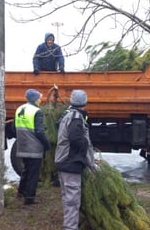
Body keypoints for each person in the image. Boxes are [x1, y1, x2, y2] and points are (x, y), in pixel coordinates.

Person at [55, 89, 96, 230]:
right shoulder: (76, 118)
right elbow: (76, 139)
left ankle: (69, 225)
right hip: (70, 164)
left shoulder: (67, 114)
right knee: (72, 200)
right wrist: (89, 160)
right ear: (85, 102)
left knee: (67, 197)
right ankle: (70, 227)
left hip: (62, 161)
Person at [15, 88, 51, 205]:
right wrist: (46, 144)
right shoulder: (37, 111)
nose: (40, 100)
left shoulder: (19, 109)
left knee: (26, 169)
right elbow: (40, 132)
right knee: (34, 173)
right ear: (35, 99)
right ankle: (29, 198)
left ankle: (21, 192)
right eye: (39, 98)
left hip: (22, 145)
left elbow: (14, 128)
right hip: (34, 146)